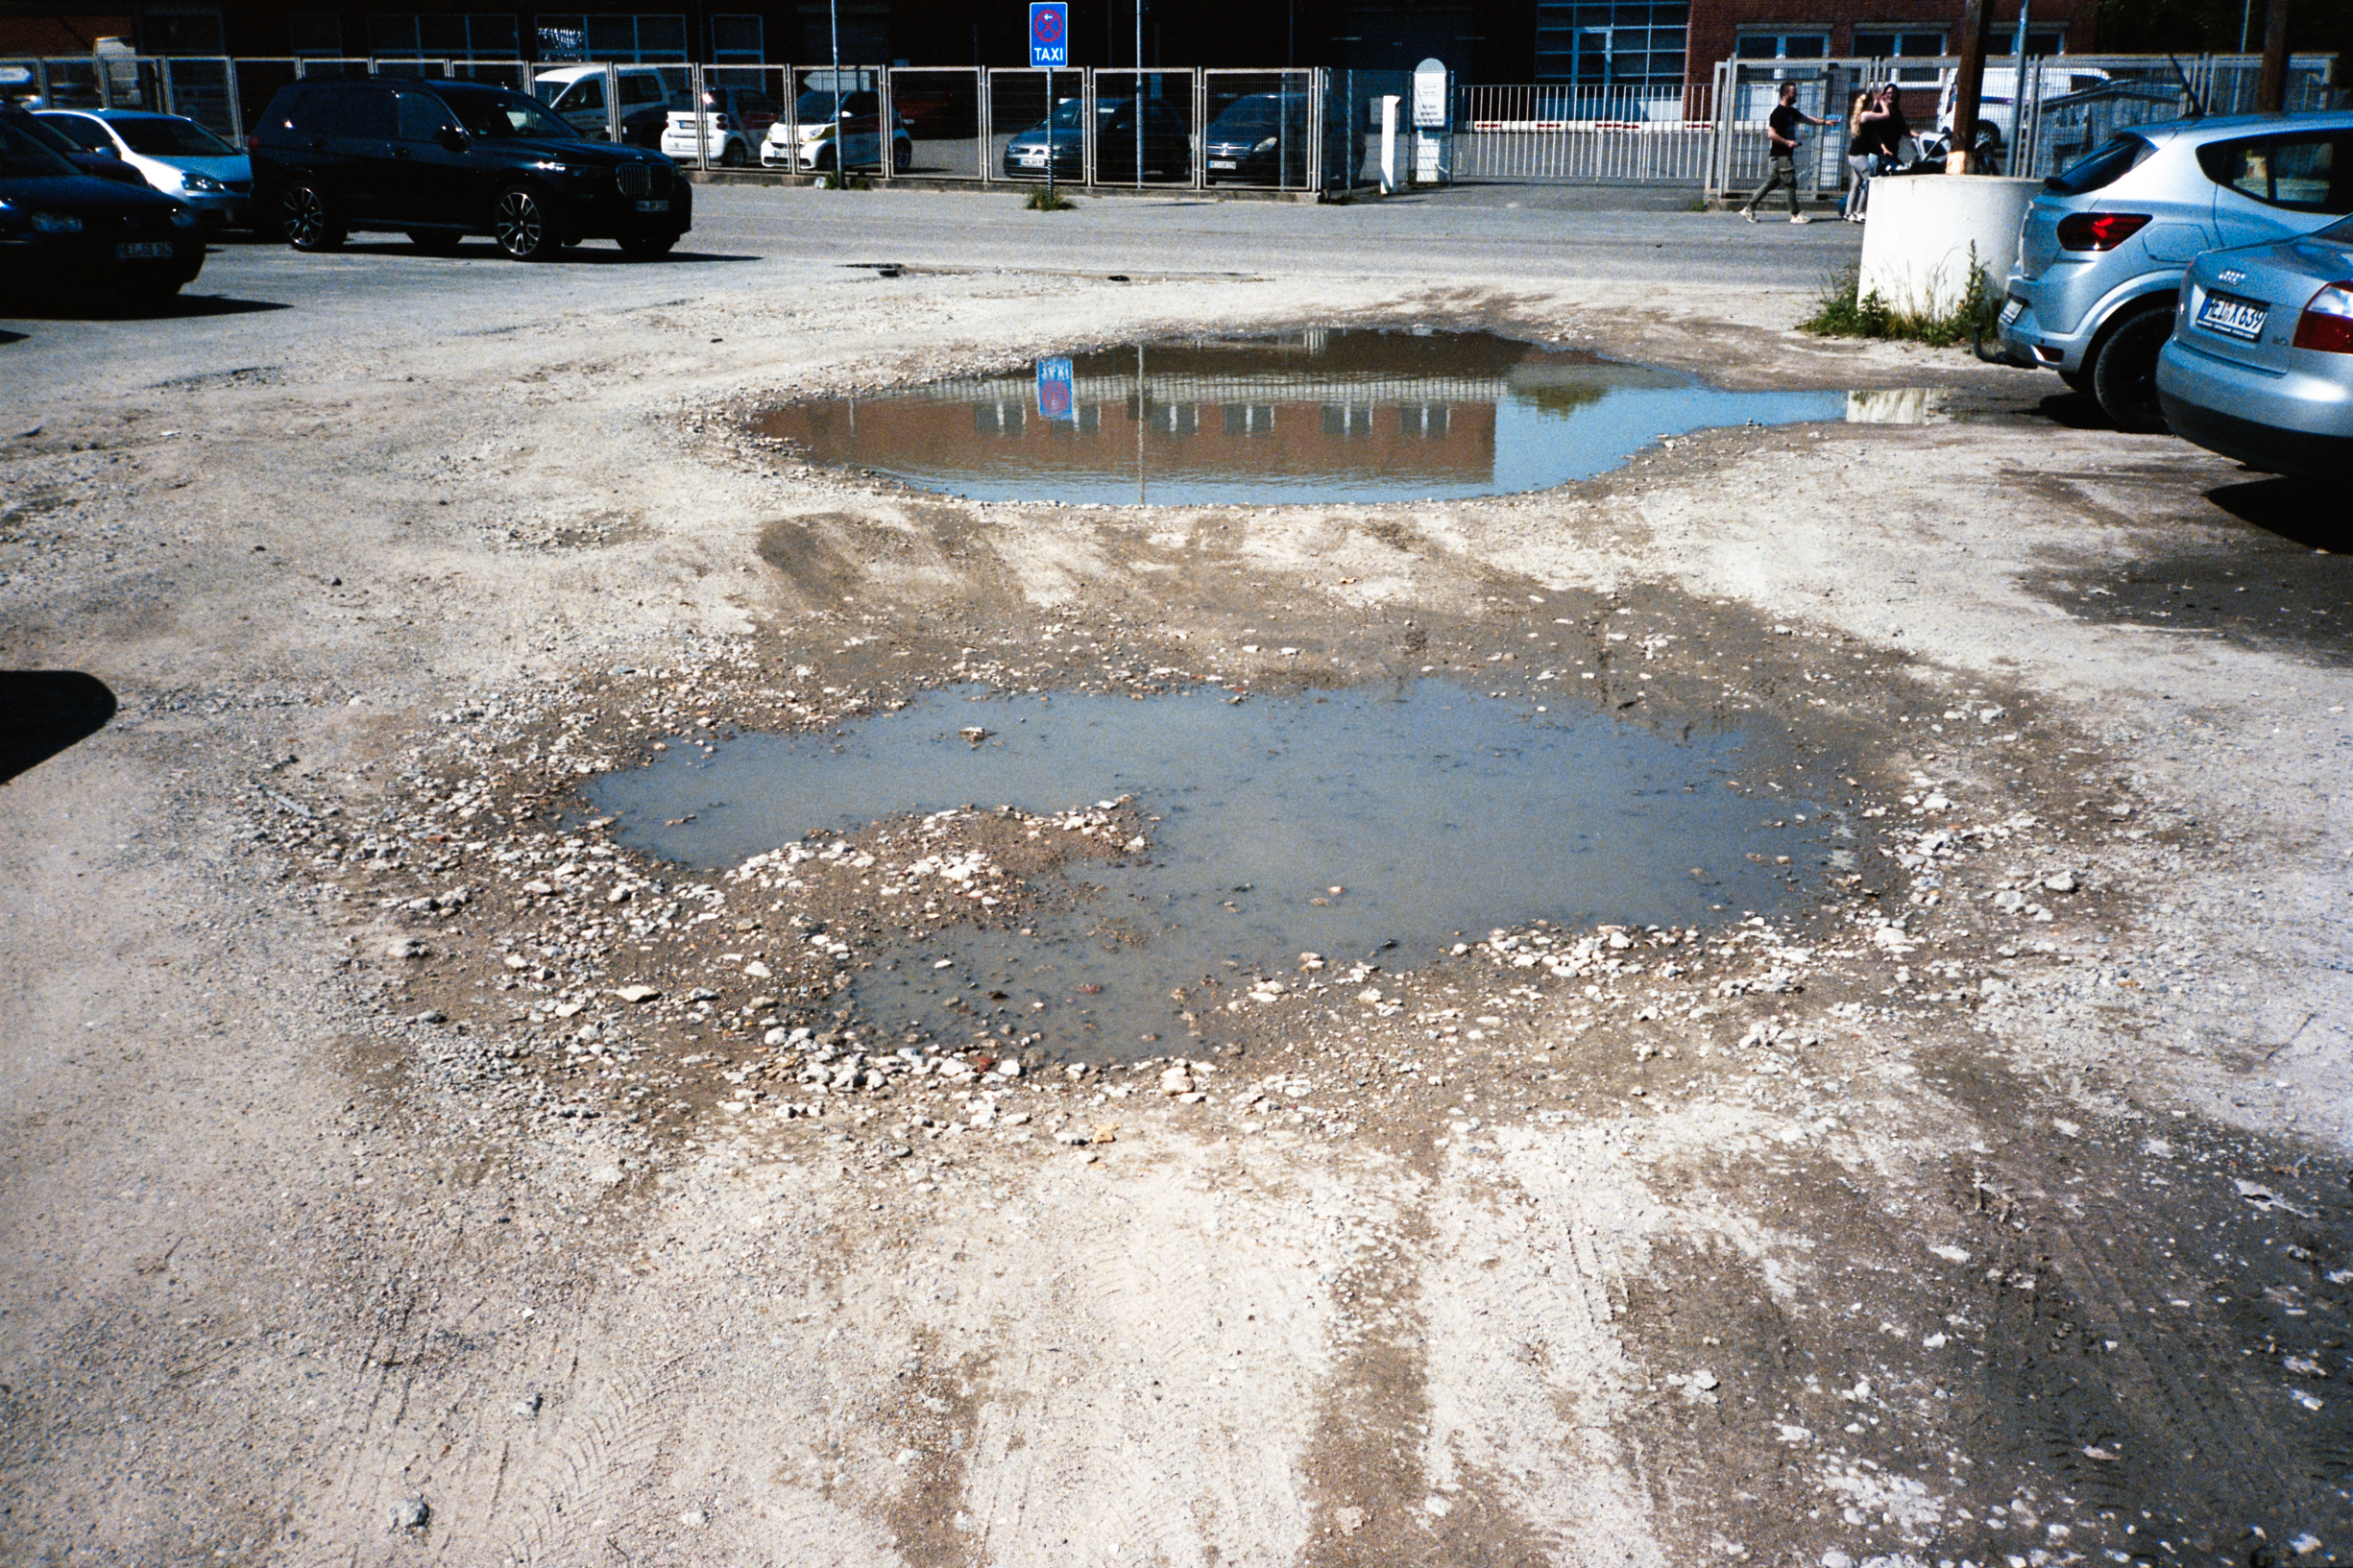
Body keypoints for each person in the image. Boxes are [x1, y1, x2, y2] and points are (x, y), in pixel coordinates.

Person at [1741, 82, 1832, 225]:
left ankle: (1749, 208)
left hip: (1783, 154)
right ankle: (1795, 214)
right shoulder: (1778, 113)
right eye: (1793, 93)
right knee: (1790, 184)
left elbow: (1806, 119)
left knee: (1771, 183)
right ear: (1785, 94)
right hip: (1781, 154)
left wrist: (1825, 122)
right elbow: (1771, 134)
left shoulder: (1791, 111)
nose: (1796, 95)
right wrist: (1787, 142)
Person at [1844, 87, 1890, 222]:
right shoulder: (1865, 115)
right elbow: (1885, 115)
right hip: (1860, 157)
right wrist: (1881, 102)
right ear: (1868, 104)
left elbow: (1872, 112)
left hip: (1853, 156)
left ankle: (1848, 213)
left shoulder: (1859, 115)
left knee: (1856, 185)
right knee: (1869, 182)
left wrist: (1875, 101)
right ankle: (1859, 212)